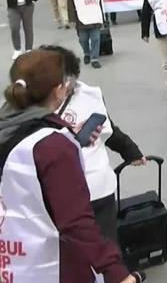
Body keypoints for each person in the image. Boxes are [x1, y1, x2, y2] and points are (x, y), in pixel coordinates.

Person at [0, 50, 139, 283]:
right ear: (58, 90)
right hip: (49, 264)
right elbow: (76, 223)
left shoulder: (10, 128)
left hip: (11, 256)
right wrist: (116, 273)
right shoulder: (53, 147)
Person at [43, 45, 146, 241]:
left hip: (96, 187)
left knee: (105, 242)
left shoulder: (87, 95)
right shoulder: (31, 105)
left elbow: (110, 129)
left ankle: (113, 271)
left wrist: (131, 152)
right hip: (58, 191)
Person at [67, 0, 105, 69]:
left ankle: (94, 58)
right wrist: (72, 18)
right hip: (81, 17)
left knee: (96, 38)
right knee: (83, 39)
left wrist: (102, 15)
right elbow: (70, 3)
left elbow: (99, 2)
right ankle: (87, 53)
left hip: (95, 15)